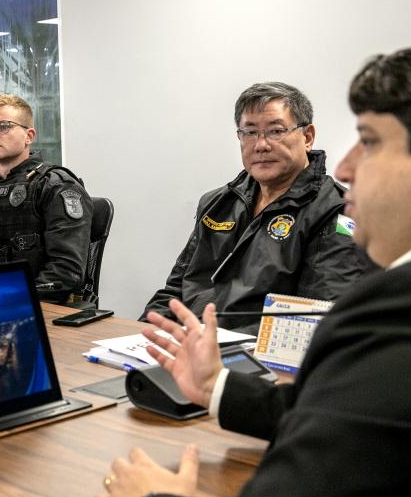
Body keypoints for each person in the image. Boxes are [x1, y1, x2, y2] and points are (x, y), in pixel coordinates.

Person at [96, 32, 411, 497]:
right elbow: (349, 409)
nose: (347, 164)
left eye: (370, 142)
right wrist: (216, 385)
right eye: (249, 132)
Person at [143, 83, 370, 332]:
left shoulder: (336, 211)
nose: (261, 145)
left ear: (307, 137)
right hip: (189, 345)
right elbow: (175, 290)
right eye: (250, 133)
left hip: (254, 359)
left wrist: (211, 343)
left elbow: (315, 319)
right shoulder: (218, 203)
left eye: (275, 131)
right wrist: (143, 333)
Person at [0, 94, 92, 302]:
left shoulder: (55, 187)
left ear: (29, 136)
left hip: (39, 308)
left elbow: (66, 272)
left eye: (3, 126)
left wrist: (7, 298)